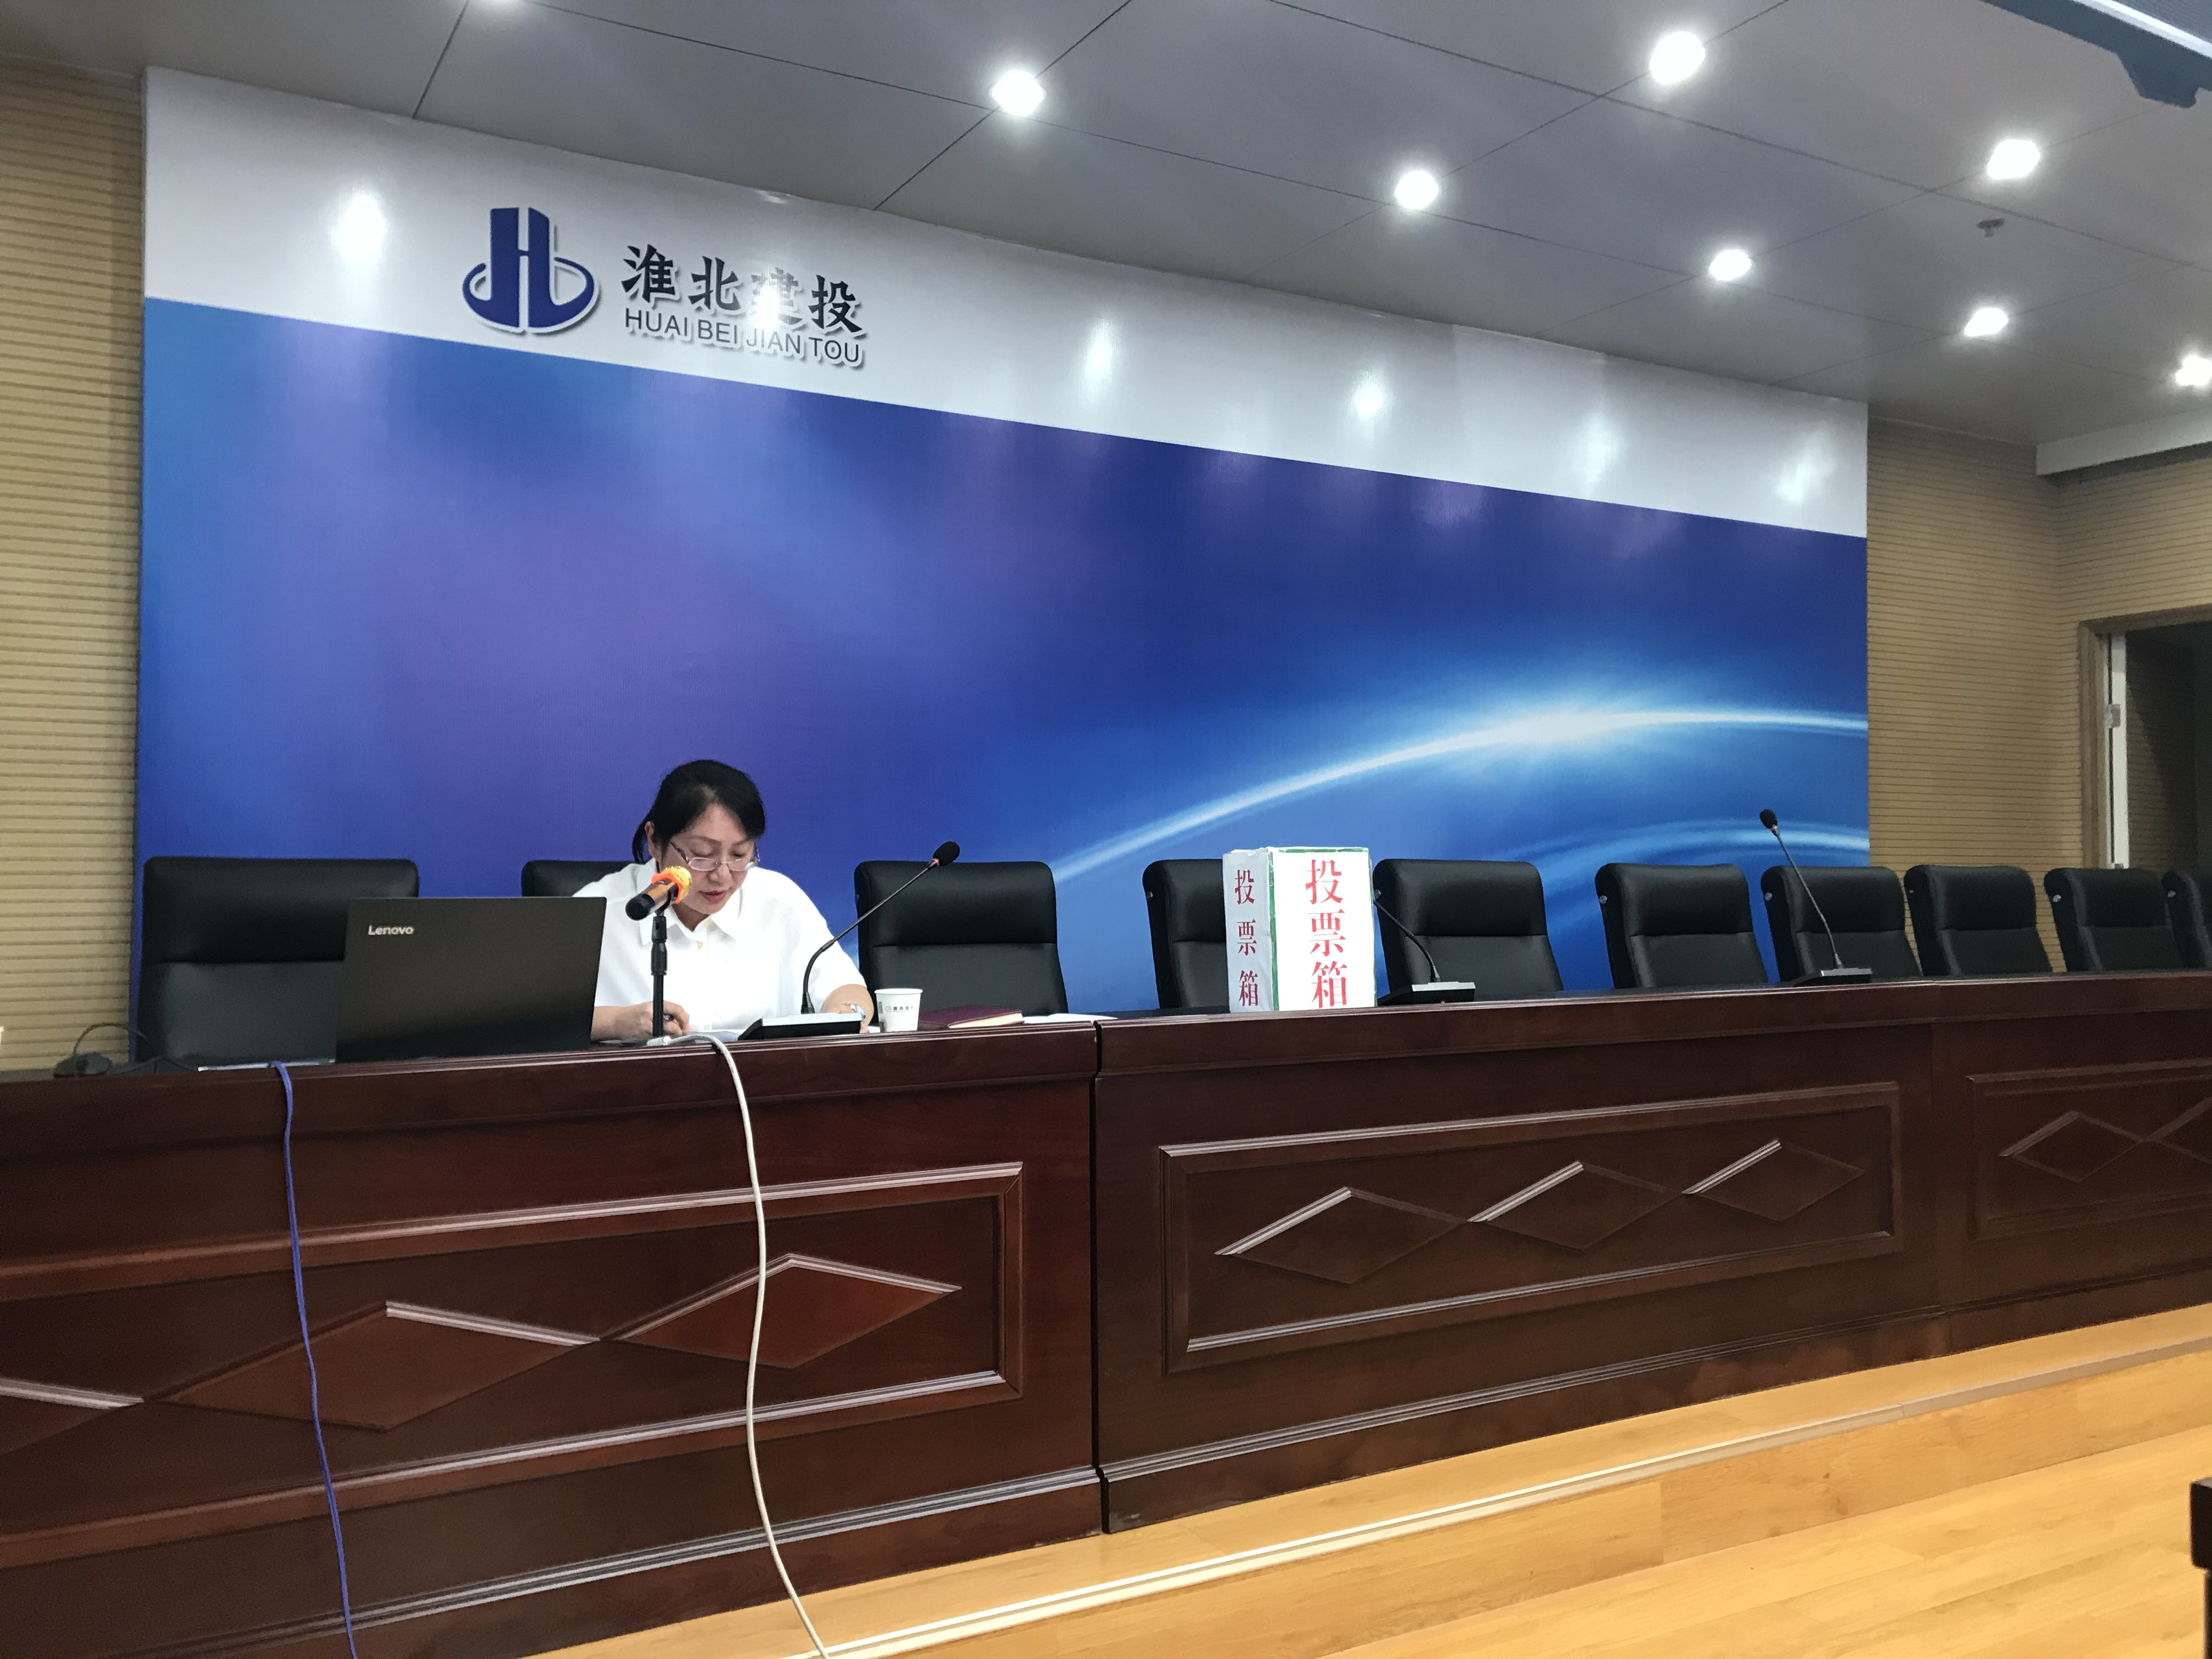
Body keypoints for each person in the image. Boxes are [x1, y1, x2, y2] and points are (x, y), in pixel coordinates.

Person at [578, 760, 873, 1040]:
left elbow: (846, 987)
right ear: (655, 841)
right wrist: (615, 1022)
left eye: (739, 855)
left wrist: (847, 1012)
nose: (722, 876)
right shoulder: (596, 911)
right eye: (702, 856)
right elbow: (548, 1020)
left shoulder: (779, 900)